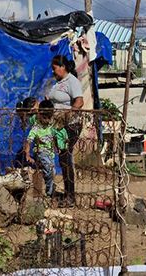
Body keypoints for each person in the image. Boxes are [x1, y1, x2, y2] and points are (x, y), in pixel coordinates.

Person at [48, 55, 83, 207]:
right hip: (58, 126)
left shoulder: (72, 81)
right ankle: (68, 194)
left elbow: (79, 101)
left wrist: (67, 114)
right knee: (63, 159)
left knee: (66, 158)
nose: (53, 71)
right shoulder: (58, 83)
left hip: (70, 125)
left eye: (55, 68)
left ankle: (71, 196)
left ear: (62, 67)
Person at [24, 100, 58, 198]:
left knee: (52, 172)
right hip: (40, 152)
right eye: (44, 118)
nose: (47, 120)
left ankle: (50, 188)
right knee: (50, 170)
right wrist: (27, 154)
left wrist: (57, 146)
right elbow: (29, 140)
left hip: (50, 153)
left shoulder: (51, 126)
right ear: (39, 115)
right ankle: (49, 193)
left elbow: (54, 137)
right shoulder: (36, 127)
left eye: (49, 118)